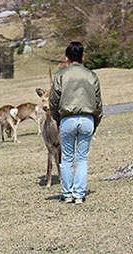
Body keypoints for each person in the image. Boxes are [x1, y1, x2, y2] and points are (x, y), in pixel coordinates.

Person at [49, 41, 103, 204]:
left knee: (66, 158)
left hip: (67, 119)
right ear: (83, 57)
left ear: (66, 58)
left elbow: (53, 101)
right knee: (81, 158)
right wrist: (96, 122)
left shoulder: (61, 75)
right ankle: (79, 194)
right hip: (87, 119)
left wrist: (57, 119)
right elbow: (98, 103)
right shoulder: (92, 75)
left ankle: (67, 193)